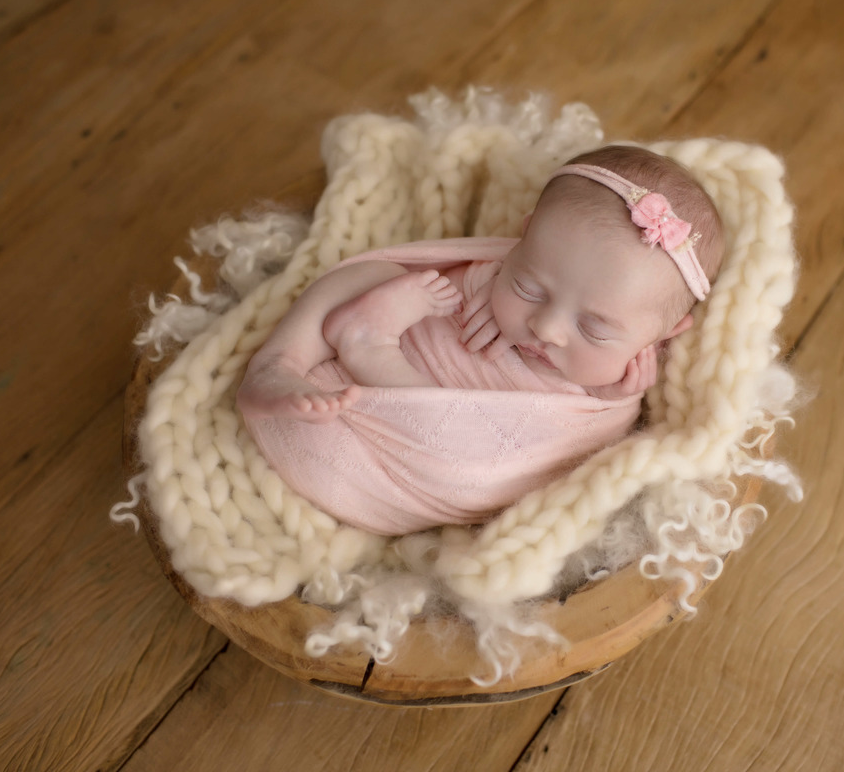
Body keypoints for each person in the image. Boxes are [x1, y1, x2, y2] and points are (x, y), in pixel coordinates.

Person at [236, 145, 724, 535]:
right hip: (313, 389)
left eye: (594, 329)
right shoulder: (495, 272)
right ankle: (279, 362)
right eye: (528, 287)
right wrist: (489, 288)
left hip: (368, 463)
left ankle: (368, 347)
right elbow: (447, 276)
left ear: (665, 334)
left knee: (476, 472)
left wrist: (611, 394)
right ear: (523, 238)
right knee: (371, 272)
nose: (545, 328)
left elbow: (572, 455)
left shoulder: (621, 383)